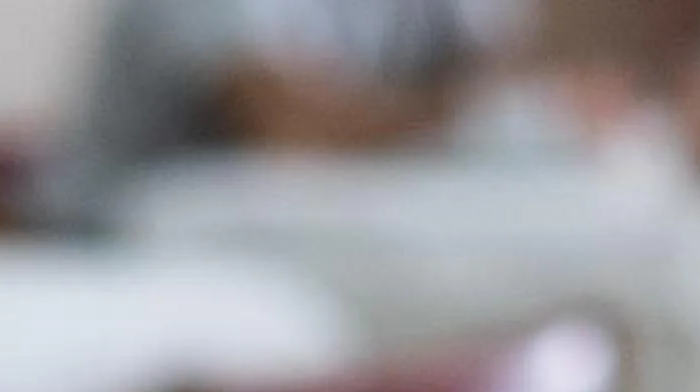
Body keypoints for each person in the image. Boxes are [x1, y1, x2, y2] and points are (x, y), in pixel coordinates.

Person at [42, 0, 536, 225]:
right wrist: (466, 111)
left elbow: (503, 64)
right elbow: (301, 131)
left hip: (269, 234)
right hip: (103, 240)